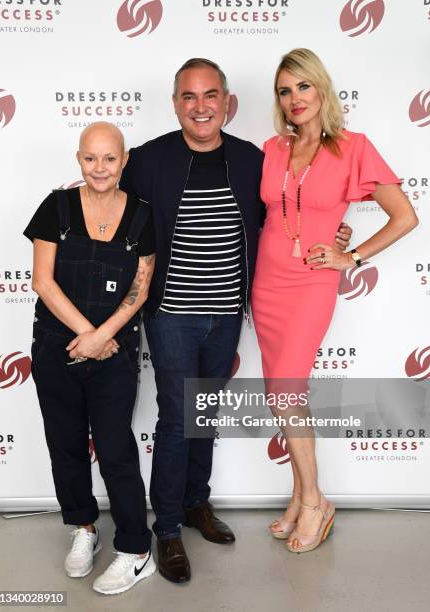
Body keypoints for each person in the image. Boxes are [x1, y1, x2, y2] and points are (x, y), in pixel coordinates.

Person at [119, 58, 352, 582]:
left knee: (204, 412)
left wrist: (338, 236)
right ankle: (169, 529)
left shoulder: (253, 159)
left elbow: (290, 208)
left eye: (210, 96)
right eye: (188, 97)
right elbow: (107, 199)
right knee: (178, 417)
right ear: (176, 103)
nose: (200, 107)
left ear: (227, 101)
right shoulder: (148, 159)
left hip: (227, 312)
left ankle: (197, 504)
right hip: (173, 313)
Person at [251, 48, 418, 553]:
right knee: (280, 394)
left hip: (310, 282)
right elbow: (281, 209)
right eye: (285, 90)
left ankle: (315, 502)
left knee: (287, 391)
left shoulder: (353, 147)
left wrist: (353, 255)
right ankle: (302, 496)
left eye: (303, 86)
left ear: (321, 88)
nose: (295, 98)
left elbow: (404, 216)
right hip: (266, 279)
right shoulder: (271, 148)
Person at [24, 122, 156, 594]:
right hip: (58, 348)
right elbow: (43, 282)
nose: (100, 168)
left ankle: (137, 550)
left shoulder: (141, 214)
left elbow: (140, 287)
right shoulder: (55, 207)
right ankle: (83, 529)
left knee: (116, 450)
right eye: (90, 159)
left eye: (110, 159)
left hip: (114, 350)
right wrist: (89, 334)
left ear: (123, 161)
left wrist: (103, 337)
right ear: (79, 159)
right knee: (66, 445)